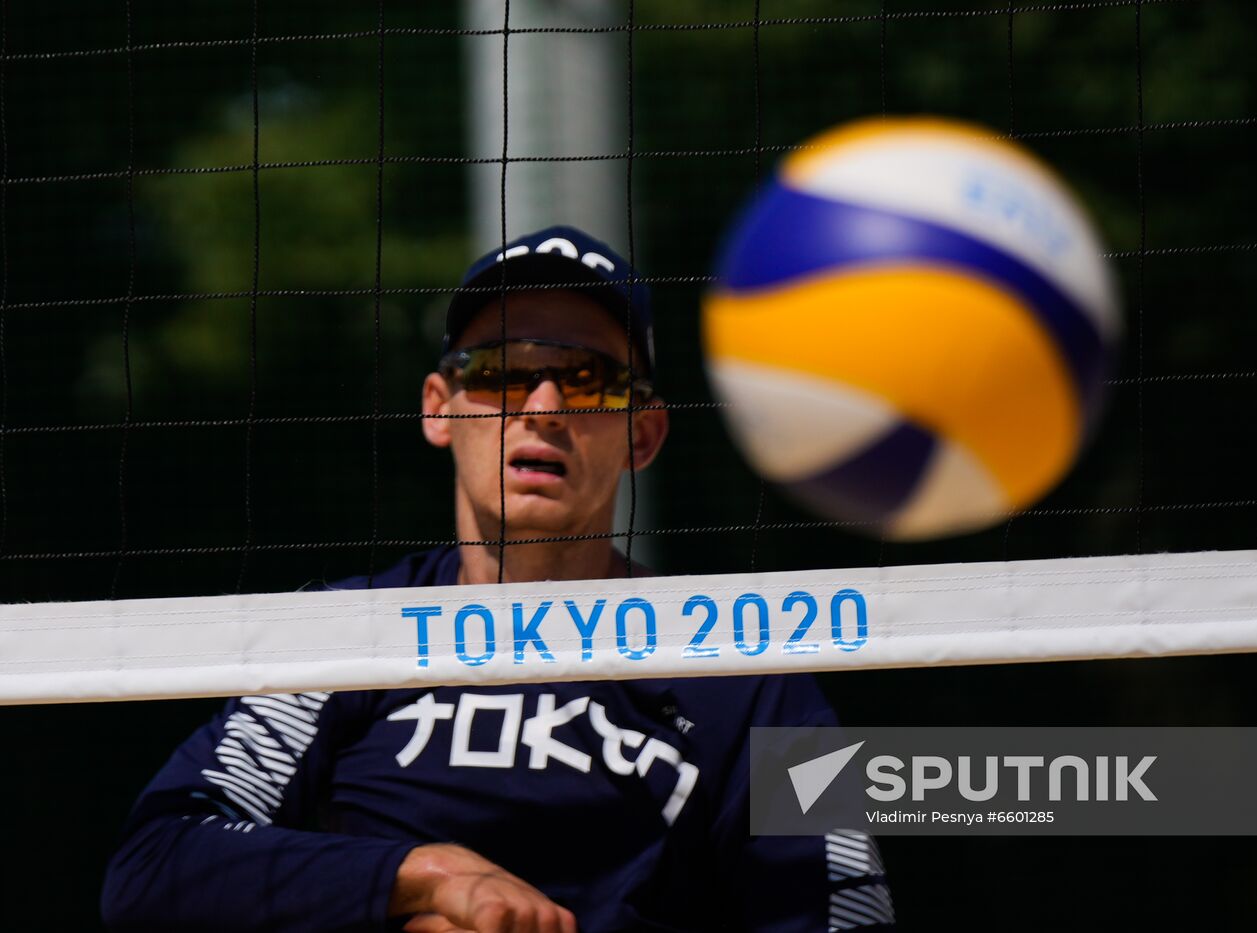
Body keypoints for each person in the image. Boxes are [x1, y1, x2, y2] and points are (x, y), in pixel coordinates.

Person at [101, 226, 896, 933]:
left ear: (642, 434)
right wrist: (426, 878)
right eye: (501, 371)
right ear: (439, 408)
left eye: (589, 378)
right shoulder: (341, 629)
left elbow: (849, 913)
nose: (544, 405)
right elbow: (157, 860)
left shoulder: (752, 665)